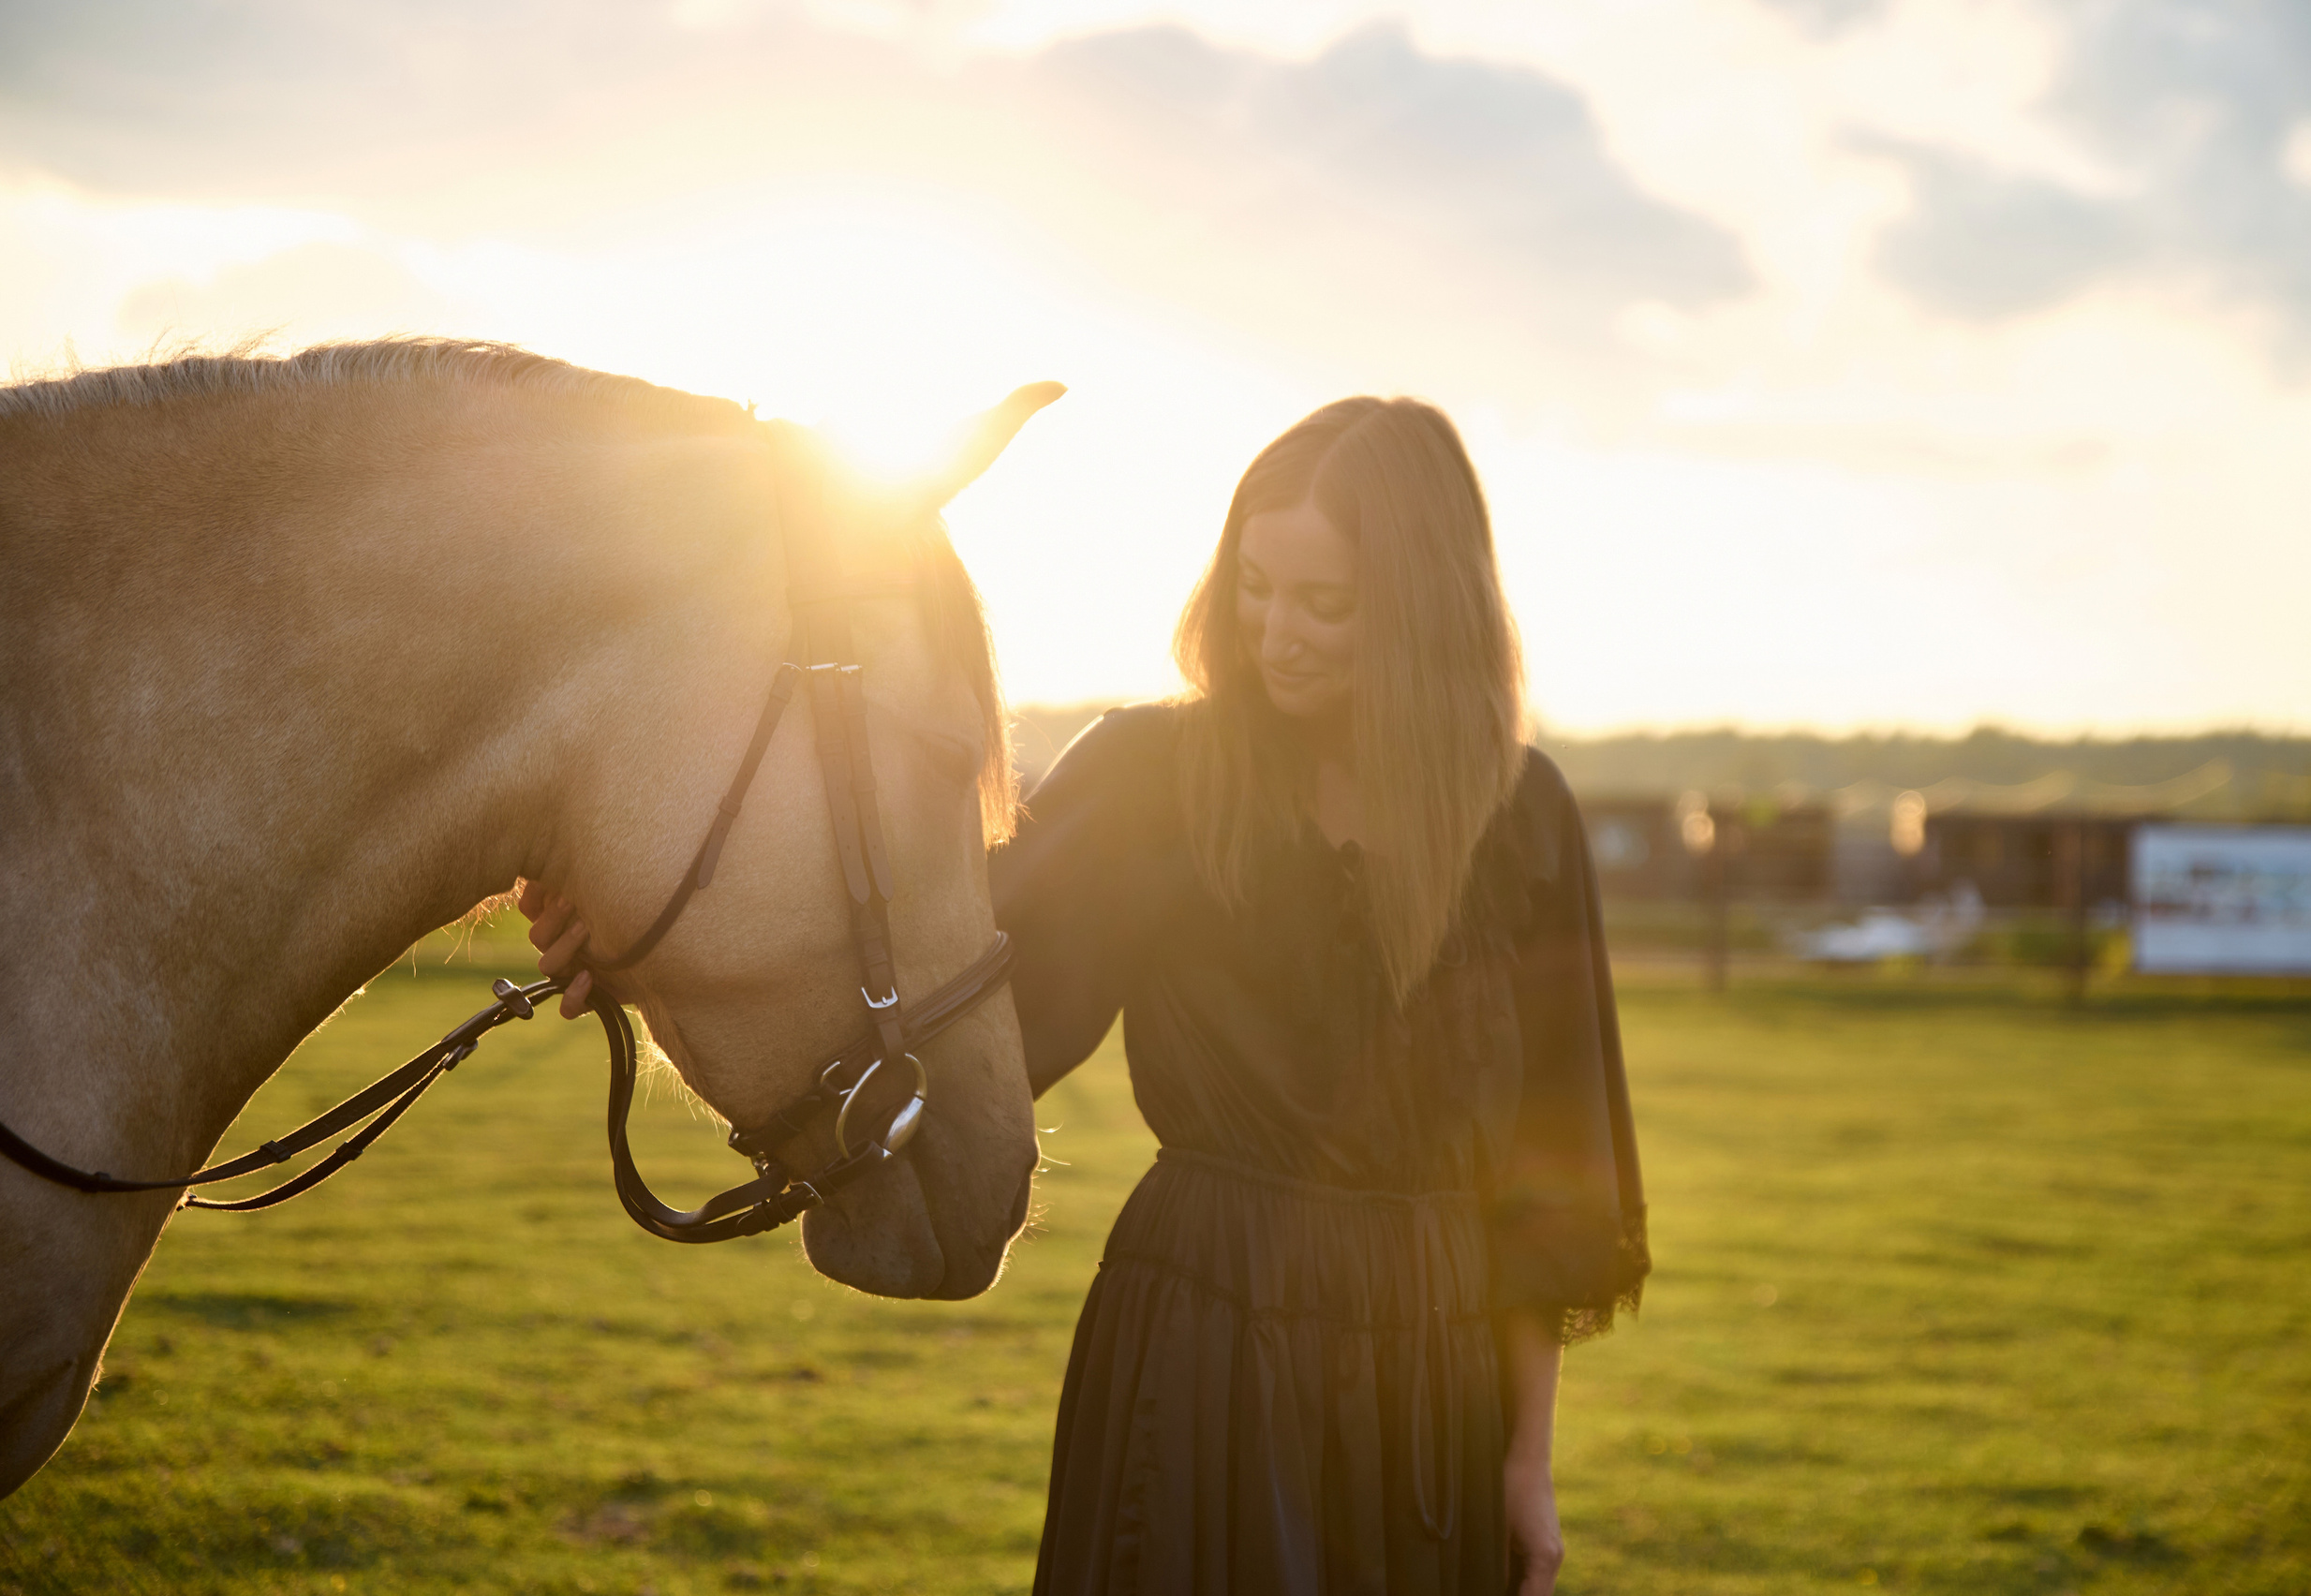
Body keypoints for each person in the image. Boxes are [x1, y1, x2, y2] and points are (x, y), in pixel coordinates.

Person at [525, 395, 1647, 1595]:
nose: (1277, 633)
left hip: (1437, 1378)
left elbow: (1552, 1182)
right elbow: (930, 982)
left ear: (1425, 604)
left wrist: (1524, 1462)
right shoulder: (1154, 777)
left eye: (1326, 603)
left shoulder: (1523, 817)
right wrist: (637, 937)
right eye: (1256, 586)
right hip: (1208, 1342)